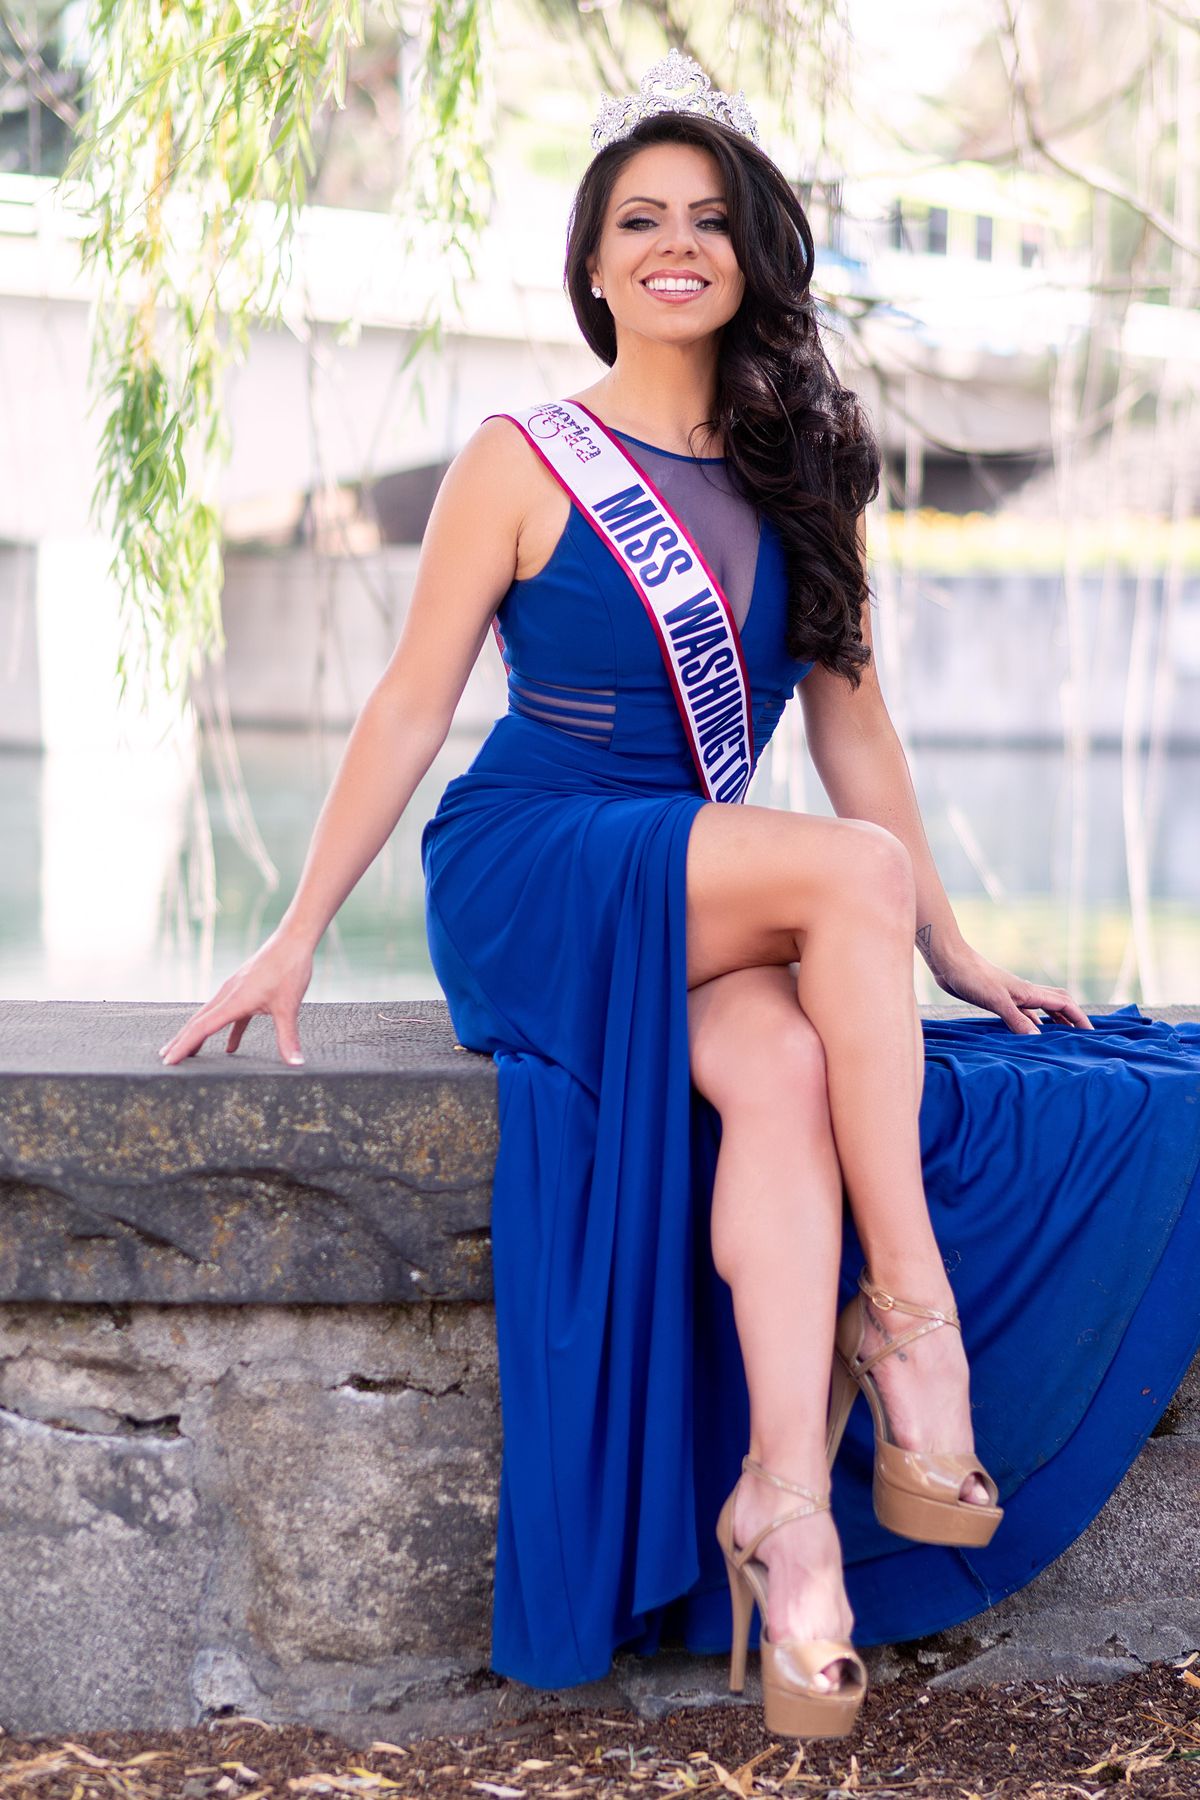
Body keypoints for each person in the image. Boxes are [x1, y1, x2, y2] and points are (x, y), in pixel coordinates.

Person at [158, 52, 1200, 1740]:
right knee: (841, 878)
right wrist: (292, 932)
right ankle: (912, 1332)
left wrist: (953, 945)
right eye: (639, 219)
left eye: (709, 221)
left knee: (787, 1066)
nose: (674, 246)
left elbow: (854, 725)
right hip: (537, 866)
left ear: (749, 255)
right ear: (590, 263)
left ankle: (788, 1522)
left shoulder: (805, 460)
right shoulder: (522, 457)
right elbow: (413, 707)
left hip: (699, 877)